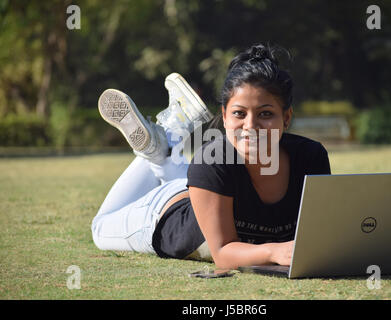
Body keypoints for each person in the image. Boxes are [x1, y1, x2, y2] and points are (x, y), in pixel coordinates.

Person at [91, 44, 331, 270]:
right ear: (225, 116)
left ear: (286, 117)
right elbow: (223, 253)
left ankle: (170, 138)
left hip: (200, 189)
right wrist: (273, 252)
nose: (251, 126)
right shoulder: (211, 161)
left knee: (188, 165)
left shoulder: (310, 157)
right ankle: (158, 147)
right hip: (159, 216)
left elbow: (321, 232)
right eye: (239, 113)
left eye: (265, 114)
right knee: (99, 228)